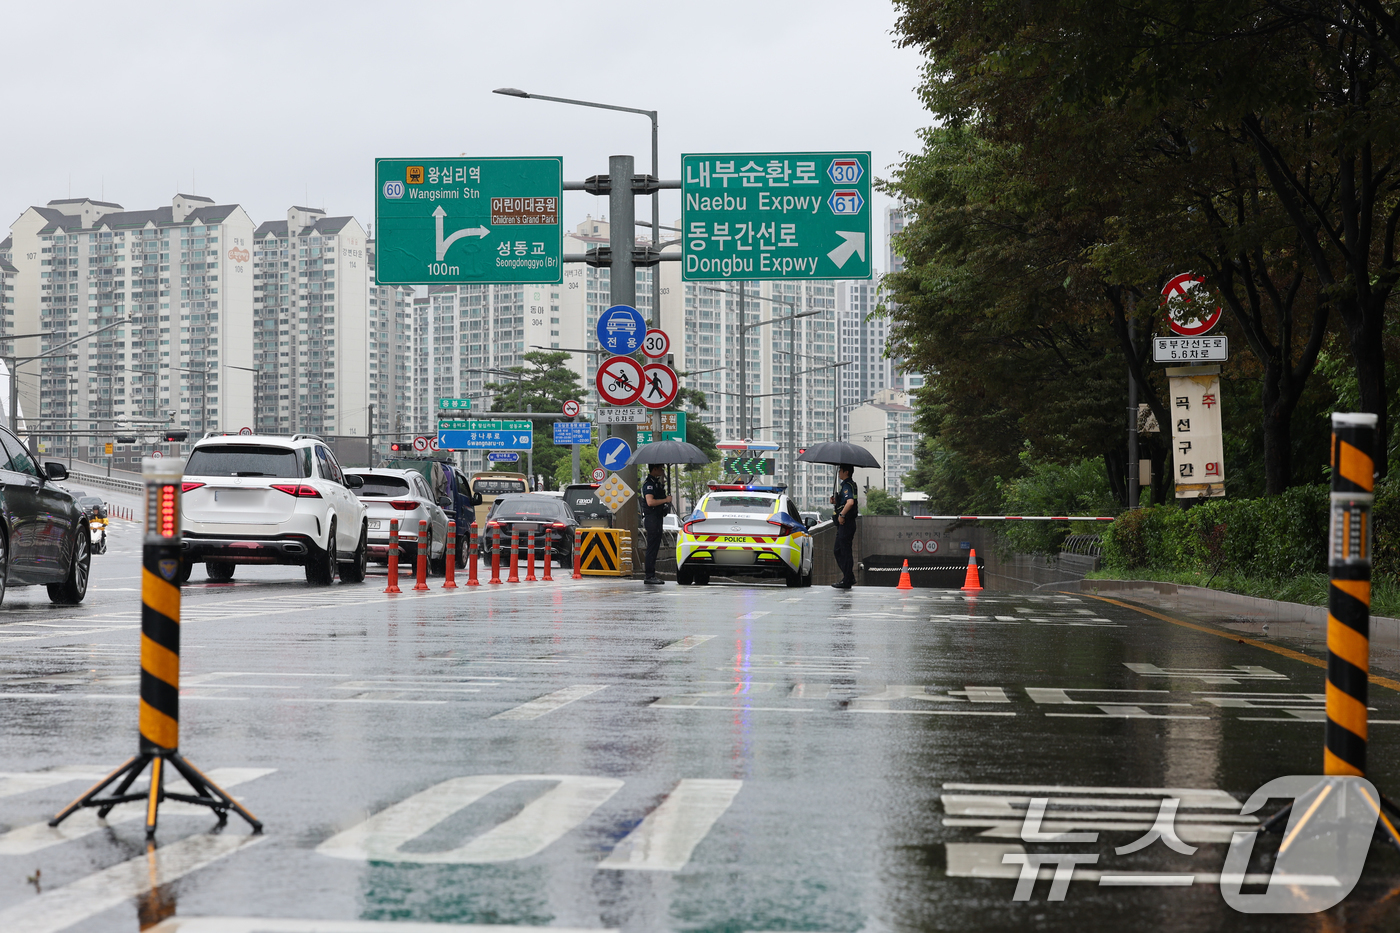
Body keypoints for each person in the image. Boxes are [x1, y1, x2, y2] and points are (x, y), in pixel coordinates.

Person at [641, 463, 672, 585]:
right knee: (652, 548)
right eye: (660, 468)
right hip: (652, 518)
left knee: (655, 547)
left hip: (657, 518)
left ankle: (651, 574)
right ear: (654, 469)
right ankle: (649, 575)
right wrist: (665, 500)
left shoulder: (656, 483)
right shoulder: (649, 484)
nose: (662, 470)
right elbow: (650, 502)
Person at [831, 464, 859, 588]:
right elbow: (845, 501)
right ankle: (849, 576)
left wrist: (842, 514)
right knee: (838, 550)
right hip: (846, 524)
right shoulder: (849, 485)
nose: (839, 473)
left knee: (845, 551)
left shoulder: (848, 485)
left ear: (846, 472)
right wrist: (836, 502)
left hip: (846, 523)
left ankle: (847, 579)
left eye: (840, 470)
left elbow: (850, 502)